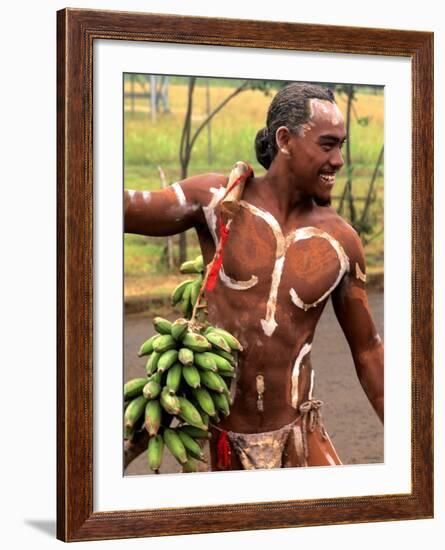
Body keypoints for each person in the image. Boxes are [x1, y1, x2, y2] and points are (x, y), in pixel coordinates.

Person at [124, 83, 384, 471]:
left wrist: (419, 439)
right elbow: (123, 208)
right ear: (285, 140)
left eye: (341, 146)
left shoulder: (341, 242)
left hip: (300, 437)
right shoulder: (217, 201)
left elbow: (368, 351)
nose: (339, 161)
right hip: (221, 440)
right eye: (327, 145)